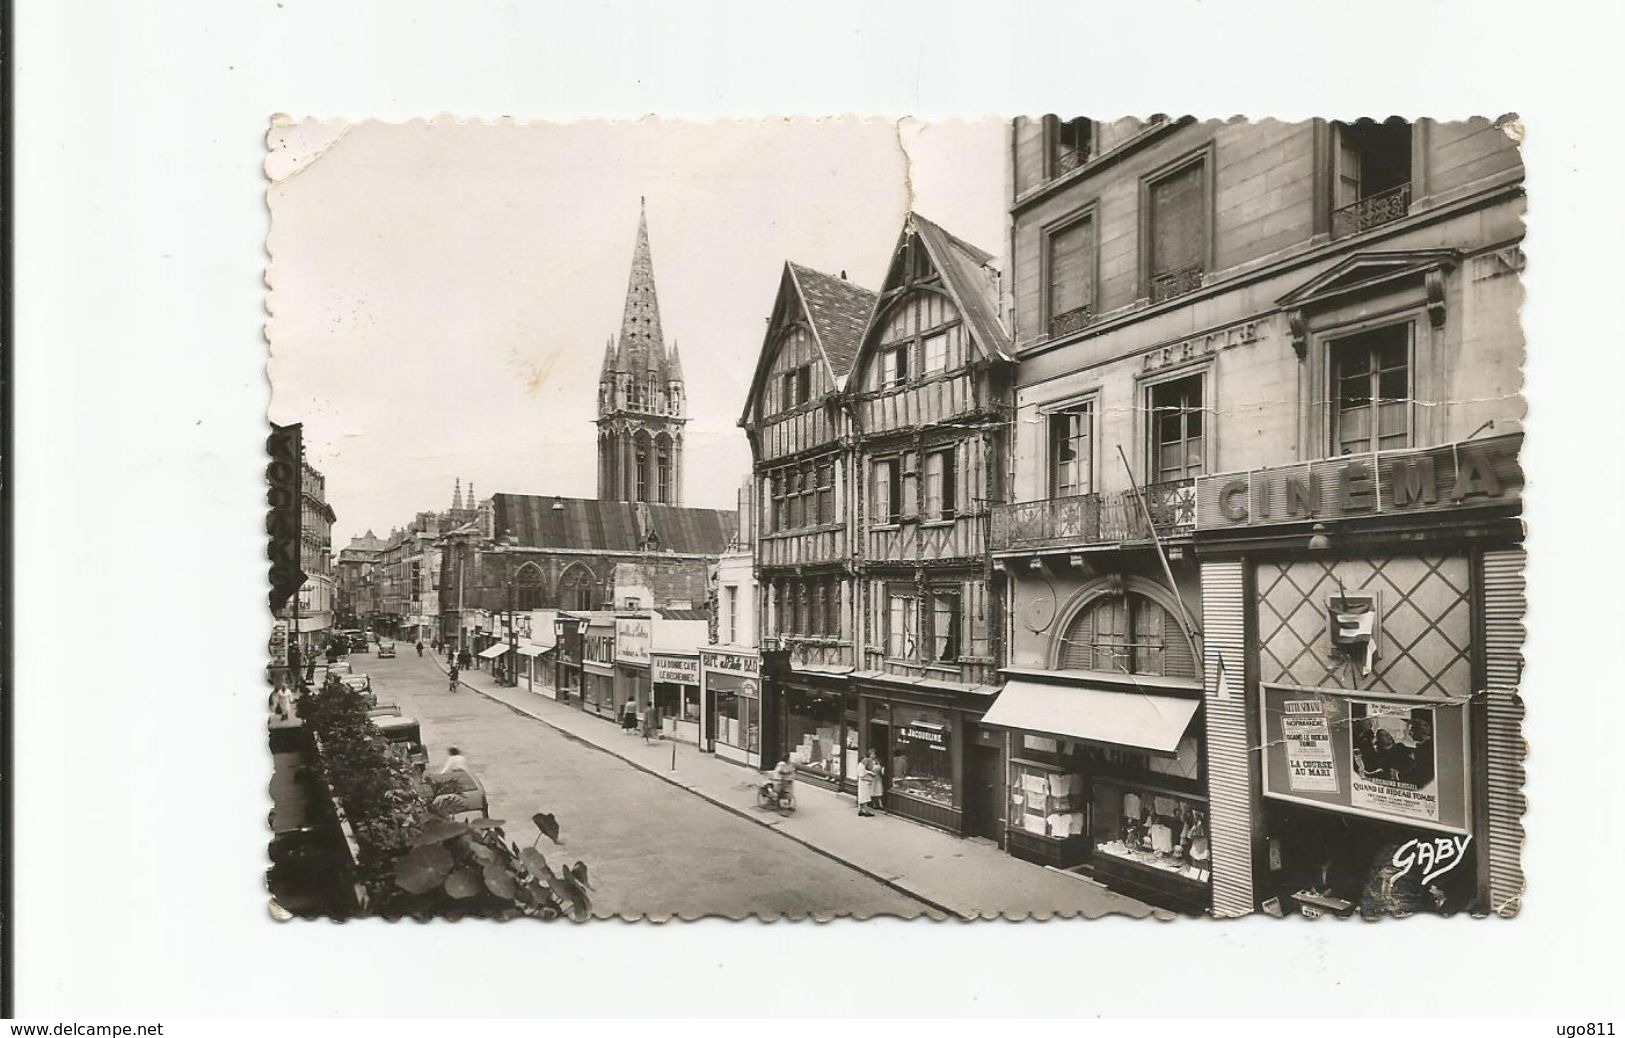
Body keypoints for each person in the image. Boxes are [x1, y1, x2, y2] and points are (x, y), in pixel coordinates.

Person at [856, 749, 884, 817]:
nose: (866, 761)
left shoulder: (862, 765)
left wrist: (869, 773)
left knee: (863, 797)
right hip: (865, 783)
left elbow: (865, 772)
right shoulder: (861, 766)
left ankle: (861, 810)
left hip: (867, 782)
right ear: (861, 760)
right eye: (864, 760)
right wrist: (870, 778)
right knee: (865, 797)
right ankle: (865, 811)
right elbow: (862, 775)